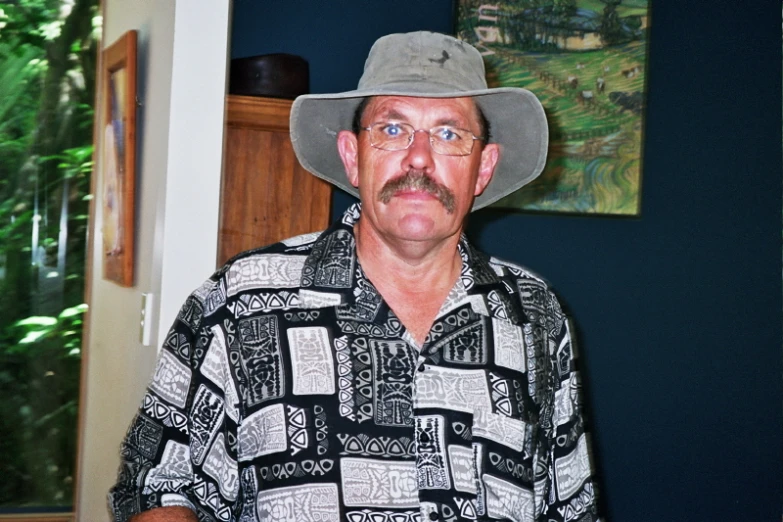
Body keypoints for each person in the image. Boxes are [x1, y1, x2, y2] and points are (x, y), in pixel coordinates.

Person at [109, 31, 601, 522]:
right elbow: (156, 485)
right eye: (392, 129)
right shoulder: (239, 300)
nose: (419, 158)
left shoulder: (535, 314)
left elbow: (570, 504)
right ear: (352, 157)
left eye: (450, 134)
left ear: (482, 169)